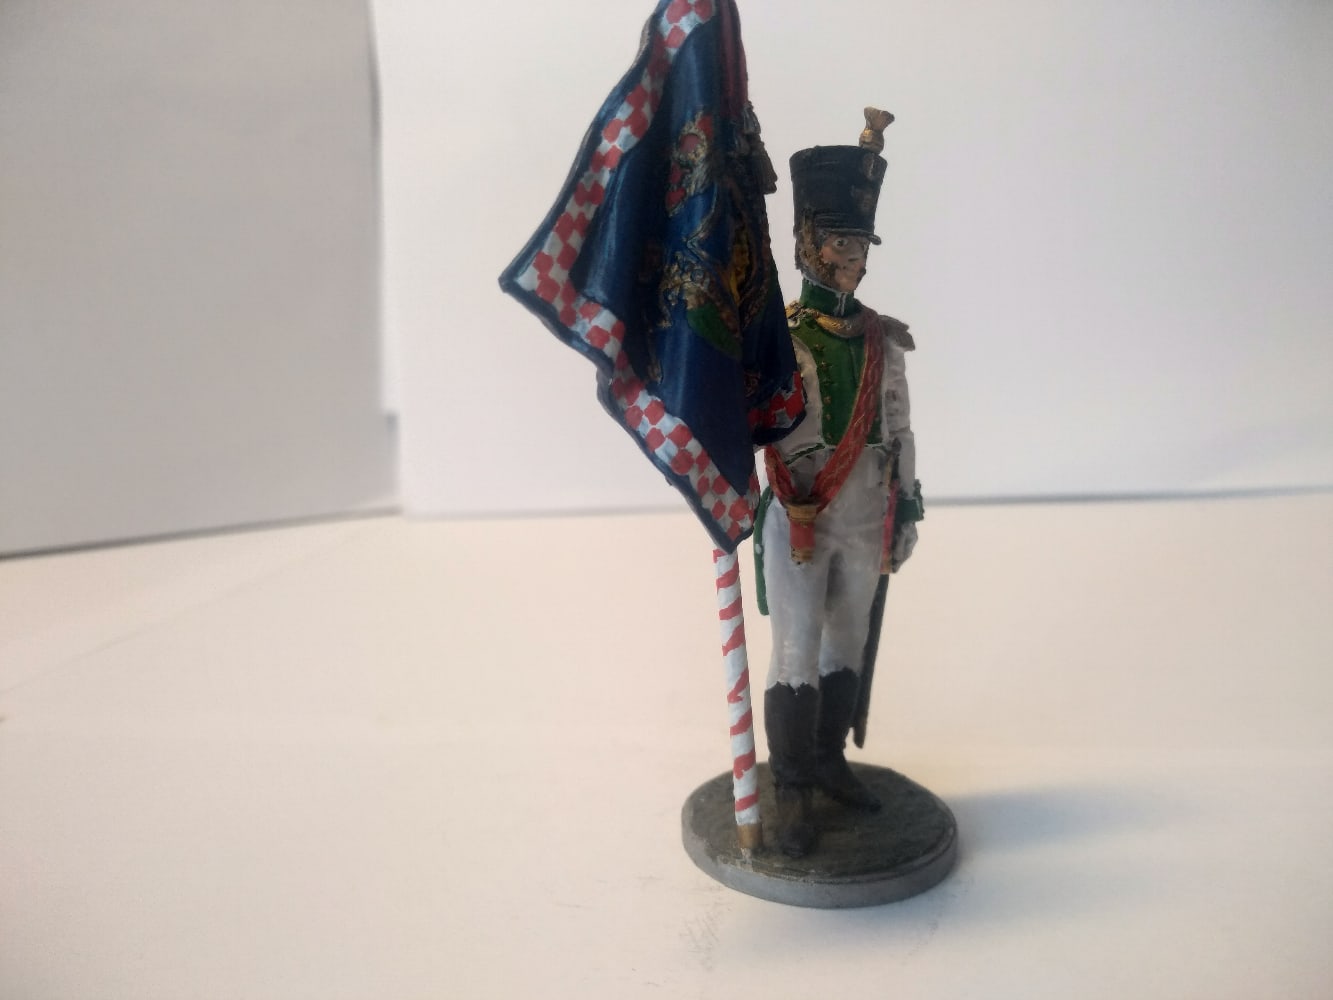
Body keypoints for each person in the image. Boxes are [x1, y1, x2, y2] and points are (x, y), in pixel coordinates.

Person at [756, 108, 925, 858]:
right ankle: (791, 786)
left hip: (865, 514)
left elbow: (899, 429)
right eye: (838, 243)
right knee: (796, 649)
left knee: (846, 640)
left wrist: (906, 507)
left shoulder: (883, 340)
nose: (852, 258)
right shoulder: (779, 338)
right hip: (799, 515)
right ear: (806, 246)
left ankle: (828, 762)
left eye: (859, 244)